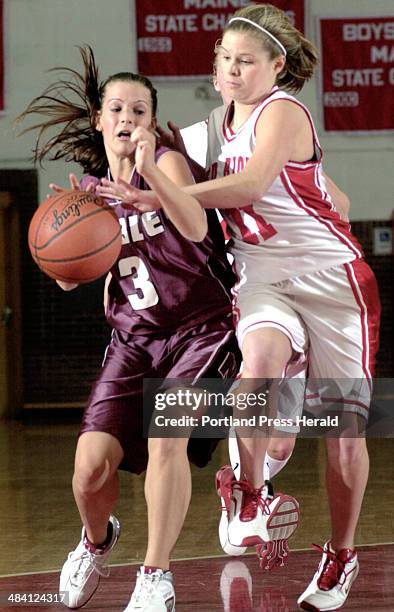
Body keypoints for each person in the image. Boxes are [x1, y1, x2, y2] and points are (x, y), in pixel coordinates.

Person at [98, 5, 381, 611]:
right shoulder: (207, 130)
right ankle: (249, 495)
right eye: (224, 58)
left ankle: (341, 554)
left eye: (246, 61)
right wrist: (118, 174)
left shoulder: (283, 111)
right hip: (263, 278)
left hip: (332, 281)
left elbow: (251, 186)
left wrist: (161, 188)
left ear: (276, 66)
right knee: (257, 363)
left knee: (346, 433)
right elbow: (151, 149)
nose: (231, 69)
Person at [17, 46, 242, 612]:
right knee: (89, 471)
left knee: (167, 439)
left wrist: (149, 175)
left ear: (150, 121)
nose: (128, 119)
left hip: (200, 330)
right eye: (117, 109)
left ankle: (155, 575)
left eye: (139, 111)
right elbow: (70, 283)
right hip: (133, 340)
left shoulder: (167, 165)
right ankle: (96, 540)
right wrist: (64, 251)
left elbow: (193, 226)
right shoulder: (88, 196)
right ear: (100, 120)